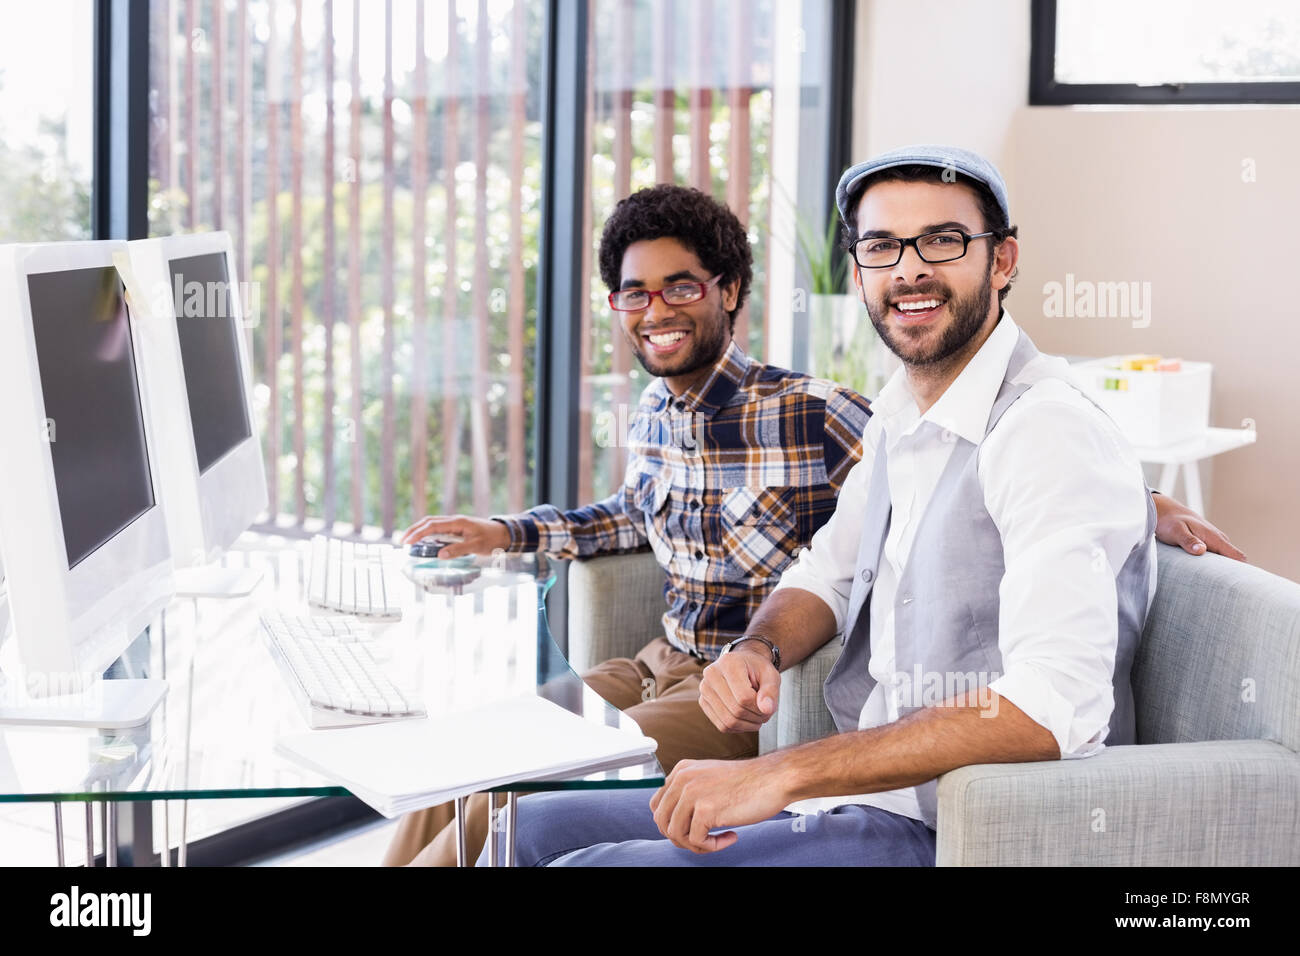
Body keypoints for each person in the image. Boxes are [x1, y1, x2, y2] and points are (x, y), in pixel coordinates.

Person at [389, 177, 1241, 868]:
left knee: (556, 844)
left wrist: (1139, 496)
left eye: (941, 240)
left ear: (1003, 259)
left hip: (937, 820)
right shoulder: (898, 421)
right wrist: (756, 647)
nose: (908, 268)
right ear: (861, 270)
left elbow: (1057, 702)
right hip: (812, 757)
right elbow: (821, 573)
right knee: (510, 825)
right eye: (880, 247)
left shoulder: (863, 415)